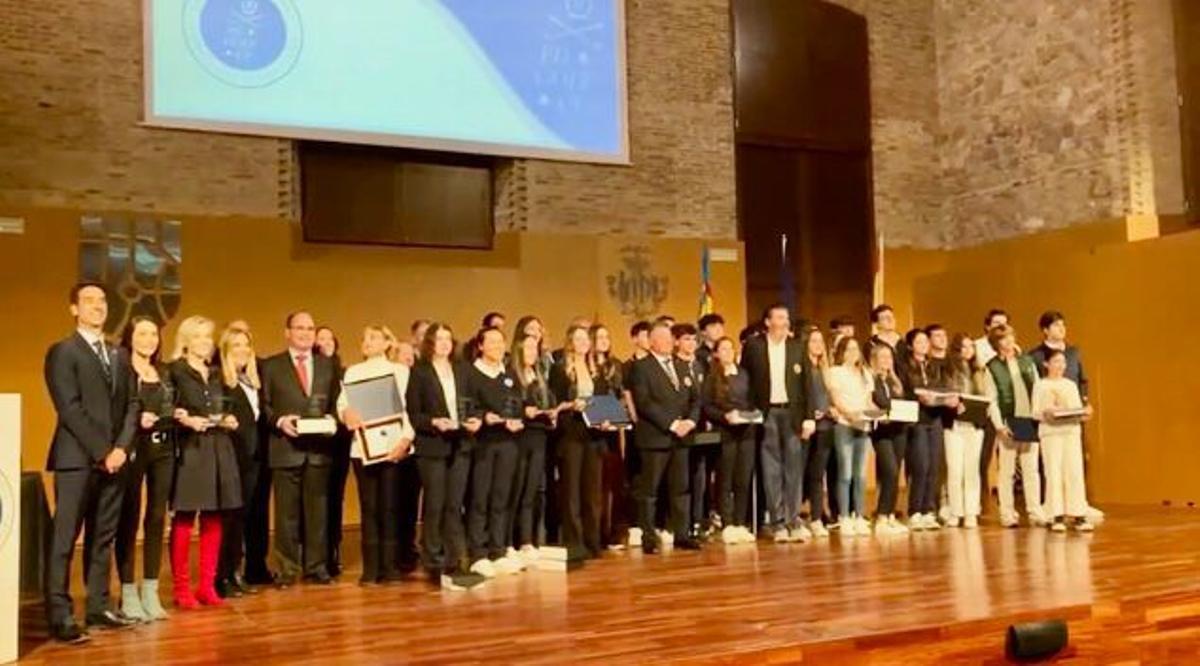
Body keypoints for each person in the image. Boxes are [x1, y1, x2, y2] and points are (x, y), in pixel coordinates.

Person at [43, 282, 140, 643]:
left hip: (115, 461)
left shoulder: (118, 355)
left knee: (103, 537)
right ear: (74, 309)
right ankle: (60, 616)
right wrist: (104, 451)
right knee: (65, 539)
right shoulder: (62, 352)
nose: (98, 306)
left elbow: (132, 405)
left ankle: (98, 606)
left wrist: (121, 448)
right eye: (89, 301)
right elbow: (69, 408)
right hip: (77, 460)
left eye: (102, 300)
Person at [165, 316, 242, 608]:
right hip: (191, 448)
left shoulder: (215, 373)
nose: (205, 343)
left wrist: (228, 419)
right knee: (185, 517)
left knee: (214, 516)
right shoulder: (174, 371)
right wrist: (183, 418)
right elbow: (167, 406)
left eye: (208, 337)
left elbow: (221, 406)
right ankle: (181, 589)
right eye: (198, 337)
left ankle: (207, 586)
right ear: (186, 340)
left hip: (218, 445)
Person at [261, 311, 341, 587]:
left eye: (310, 328)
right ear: (287, 332)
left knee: (317, 513)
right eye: (299, 328)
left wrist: (333, 419)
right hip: (285, 449)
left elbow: (337, 402)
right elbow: (264, 405)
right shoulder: (271, 365)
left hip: (319, 450)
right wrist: (280, 421)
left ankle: (316, 567)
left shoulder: (327, 365)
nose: (305, 333)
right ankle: (286, 569)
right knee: (286, 515)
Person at [337, 325, 416, 585]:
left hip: (393, 447)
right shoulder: (353, 371)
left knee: (390, 506)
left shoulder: (400, 371)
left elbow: (409, 408)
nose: (366, 341)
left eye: (373, 337)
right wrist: (346, 412)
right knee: (369, 507)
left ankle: (391, 567)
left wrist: (406, 439)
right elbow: (343, 403)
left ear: (386, 343)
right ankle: (370, 569)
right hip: (363, 448)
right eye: (364, 338)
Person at [406, 323, 476, 584]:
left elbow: (472, 404)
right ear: (430, 343)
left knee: (453, 504)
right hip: (432, 447)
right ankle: (432, 559)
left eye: (449, 338)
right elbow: (414, 414)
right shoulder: (420, 372)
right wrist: (434, 422)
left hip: (460, 443)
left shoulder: (462, 369)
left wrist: (474, 420)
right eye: (439, 338)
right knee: (435, 503)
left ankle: (455, 558)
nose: (445, 343)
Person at [113, 317, 173, 622]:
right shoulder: (121, 371)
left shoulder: (163, 372)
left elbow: (171, 406)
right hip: (133, 448)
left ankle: (150, 588)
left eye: (153, 334)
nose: (149, 339)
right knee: (129, 516)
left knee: (157, 516)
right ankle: (127, 590)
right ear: (130, 337)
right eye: (142, 334)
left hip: (163, 450)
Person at [740, 305, 811, 543]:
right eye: (780, 317)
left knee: (793, 467)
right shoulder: (754, 346)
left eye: (787, 317)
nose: (785, 321)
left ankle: (794, 519)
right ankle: (777, 520)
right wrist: (750, 412)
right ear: (768, 322)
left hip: (792, 413)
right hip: (767, 413)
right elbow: (746, 382)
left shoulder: (797, 347)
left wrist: (809, 416)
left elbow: (807, 384)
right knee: (771, 468)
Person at [630, 321, 702, 553]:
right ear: (651, 341)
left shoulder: (681, 366)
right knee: (650, 491)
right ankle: (649, 537)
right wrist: (671, 424)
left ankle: (682, 534)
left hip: (682, 438)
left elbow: (695, 398)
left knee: (681, 488)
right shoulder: (642, 368)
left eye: (670, 338)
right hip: (656, 438)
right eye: (663, 338)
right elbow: (644, 402)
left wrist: (690, 421)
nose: (669, 342)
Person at [464, 327, 525, 577]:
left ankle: (498, 550)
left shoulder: (508, 374)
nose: (499, 346)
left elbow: (517, 402)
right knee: (481, 498)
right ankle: (477, 552)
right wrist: (483, 416)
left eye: (501, 342)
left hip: (508, 442)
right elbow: (467, 406)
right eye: (492, 342)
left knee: (502, 498)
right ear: (480, 345)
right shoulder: (471, 373)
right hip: (483, 443)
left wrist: (516, 418)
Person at [215, 325, 268, 599]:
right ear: (224, 351)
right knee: (229, 519)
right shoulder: (222, 382)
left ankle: (234, 573)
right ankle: (221, 576)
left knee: (242, 518)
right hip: (232, 457)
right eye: (236, 345)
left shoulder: (252, 382)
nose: (243, 350)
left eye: (246, 345)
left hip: (252, 458)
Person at [549, 325, 609, 558]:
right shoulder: (560, 369)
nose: (584, 342)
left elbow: (604, 399)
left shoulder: (597, 370)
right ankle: (575, 543)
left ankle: (592, 541)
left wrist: (606, 419)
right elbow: (555, 402)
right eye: (578, 338)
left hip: (594, 436)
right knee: (571, 492)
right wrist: (572, 405)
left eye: (586, 338)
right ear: (570, 342)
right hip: (571, 434)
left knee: (592, 492)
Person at [984, 325, 1046, 529]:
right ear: (996, 343)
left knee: (1031, 469)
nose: (1008, 341)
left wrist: (1038, 415)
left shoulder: (1026, 361)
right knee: (1007, 471)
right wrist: (999, 425)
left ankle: (1035, 510)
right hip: (1008, 421)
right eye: (1003, 338)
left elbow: (1037, 388)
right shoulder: (992, 367)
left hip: (1029, 419)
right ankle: (1007, 512)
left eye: (1010, 336)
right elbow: (991, 398)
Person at [701, 337, 758, 544]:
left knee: (742, 479)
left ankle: (740, 523)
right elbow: (707, 406)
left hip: (747, 431)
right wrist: (724, 416)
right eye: (723, 349)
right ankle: (727, 523)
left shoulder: (744, 374)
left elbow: (753, 401)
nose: (727, 352)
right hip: (725, 431)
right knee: (725, 478)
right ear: (716, 353)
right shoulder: (712, 377)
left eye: (730, 348)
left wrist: (749, 415)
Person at [1032, 349, 1095, 532]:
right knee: (1053, 472)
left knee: (1074, 472)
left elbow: (1076, 408)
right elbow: (1035, 412)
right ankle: (1056, 515)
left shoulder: (1070, 385)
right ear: (1046, 364)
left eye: (1063, 362)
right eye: (1056, 362)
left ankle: (1078, 514)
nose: (1060, 366)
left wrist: (1084, 412)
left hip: (1070, 432)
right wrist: (1047, 412)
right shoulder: (1040, 385)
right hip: (1051, 433)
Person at [508, 330, 557, 563]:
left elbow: (548, 402)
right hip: (519, 437)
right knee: (514, 490)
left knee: (531, 492)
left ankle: (528, 541)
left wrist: (552, 413)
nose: (532, 352)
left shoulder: (539, 377)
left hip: (538, 435)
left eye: (534, 349)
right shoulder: (511, 376)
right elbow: (507, 406)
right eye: (527, 348)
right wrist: (523, 411)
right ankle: (509, 541)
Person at [825, 336, 875, 536]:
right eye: (849, 349)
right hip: (845, 425)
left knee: (860, 475)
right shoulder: (835, 373)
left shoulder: (865, 373)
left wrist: (880, 412)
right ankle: (844, 516)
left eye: (856, 349)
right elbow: (835, 400)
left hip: (863, 425)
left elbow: (869, 401)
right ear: (842, 352)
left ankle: (859, 515)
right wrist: (849, 415)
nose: (854, 353)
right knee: (845, 473)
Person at [943, 334, 990, 529]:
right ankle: (955, 512)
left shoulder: (980, 371)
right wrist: (951, 403)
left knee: (972, 470)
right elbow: (943, 394)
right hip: (954, 424)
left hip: (975, 424)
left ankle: (971, 512)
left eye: (971, 346)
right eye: (964, 346)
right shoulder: (948, 369)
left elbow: (988, 395)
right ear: (956, 349)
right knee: (955, 469)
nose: (969, 350)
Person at [674, 322, 716, 539]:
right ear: (677, 342)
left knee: (700, 476)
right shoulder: (673, 365)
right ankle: (680, 524)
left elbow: (706, 396)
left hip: (701, 428)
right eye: (686, 339)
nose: (690, 344)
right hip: (680, 428)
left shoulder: (701, 365)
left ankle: (698, 521)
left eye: (693, 339)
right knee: (682, 478)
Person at [315, 325, 350, 577]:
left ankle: (333, 550)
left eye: (330, 337)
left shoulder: (344, 373)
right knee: (318, 498)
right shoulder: (311, 372)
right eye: (321, 338)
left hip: (340, 441)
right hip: (317, 441)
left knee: (336, 497)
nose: (326, 341)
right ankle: (316, 553)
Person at [904, 328, 948, 531]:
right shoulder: (905, 366)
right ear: (911, 345)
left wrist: (946, 399)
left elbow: (940, 388)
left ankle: (929, 510)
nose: (923, 345)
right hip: (917, 420)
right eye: (919, 341)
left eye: (925, 342)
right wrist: (919, 397)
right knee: (920, 466)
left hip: (935, 418)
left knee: (934, 466)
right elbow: (905, 392)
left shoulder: (933, 366)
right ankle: (915, 511)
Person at [799, 326, 837, 537]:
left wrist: (831, 409)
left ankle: (816, 517)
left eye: (820, 341)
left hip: (825, 427)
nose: (818, 345)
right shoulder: (803, 369)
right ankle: (796, 515)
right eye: (813, 341)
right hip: (806, 427)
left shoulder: (826, 371)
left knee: (817, 475)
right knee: (800, 472)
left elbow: (831, 397)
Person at [868, 343, 909, 535]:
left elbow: (901, 402)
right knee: (890, 471)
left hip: (898, 429)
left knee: (895, 473)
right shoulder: (871, 380)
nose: (887, 361)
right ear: (875, 360)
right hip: (882, 431)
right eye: (882, 357)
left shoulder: (895, 381)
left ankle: (891, 514)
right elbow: (875, 404)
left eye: (889, 357)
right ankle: (882, 515)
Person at [974, 309, 1008, 514]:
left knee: (1006, 459)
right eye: (996, 324)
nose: (1000, 328)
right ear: (987, 326)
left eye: (1004, 324)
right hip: (983, 408)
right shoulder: (978, 347)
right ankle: (979, 501)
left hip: (1007, 410)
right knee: (982, 457)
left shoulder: (1014, 349)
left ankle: (1006, 502)